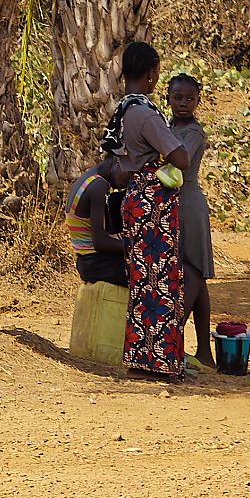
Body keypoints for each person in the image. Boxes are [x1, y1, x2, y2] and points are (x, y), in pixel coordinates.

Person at [101, 39, 190, 380]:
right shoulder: (145, 113)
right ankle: (159, 363)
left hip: (135, 198)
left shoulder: (123, 110)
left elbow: (118, 163)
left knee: (142, 282)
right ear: (151, 74)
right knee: (161, 282)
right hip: (154, 204)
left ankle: (141, 360)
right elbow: (180, 157)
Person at [167, 72, 215, 366]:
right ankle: (205, 353)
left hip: (189, 204)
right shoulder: (169, 126)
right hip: (175, 203)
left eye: (189, 99)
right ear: (168, 98)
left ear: (198, 101)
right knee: (195, 277)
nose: (183, 103)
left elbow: (178, 160)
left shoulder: (193, 133)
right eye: (178, 98)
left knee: (194, 271)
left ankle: (171, 339)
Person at [65, 157, 126, 286]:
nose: (129, 180)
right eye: (130, 172)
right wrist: (135, 247)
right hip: (97, 263)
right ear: (118, 160)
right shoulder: (98, 185)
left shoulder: (88, 179)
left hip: (87, 263)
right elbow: (100, 243)